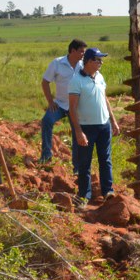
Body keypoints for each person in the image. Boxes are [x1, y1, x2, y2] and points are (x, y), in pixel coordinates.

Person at [68, 47, 120, 205]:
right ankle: (84, 195)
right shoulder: (76, 80)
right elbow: (72, 108)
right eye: (98, 60)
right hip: (86, 128)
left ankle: (108, 191)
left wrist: (113, 121)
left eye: (101, 59)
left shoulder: (99, 77)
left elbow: (105, 100)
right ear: (89, 61)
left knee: (106, 159)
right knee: (85, 163)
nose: (101, 62)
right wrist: (78, 132)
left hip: (104, 126)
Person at [40, 38, 88, 164]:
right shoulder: (57, 63)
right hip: (60, 104)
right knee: (46, 121)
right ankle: (46, 156)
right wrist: (50, 102)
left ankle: (77, 165)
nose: (84, 54)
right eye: (81, 51)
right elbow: (45, 82)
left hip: (77, 106)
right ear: (73, 51)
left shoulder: (83, 65)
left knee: (77, 132)